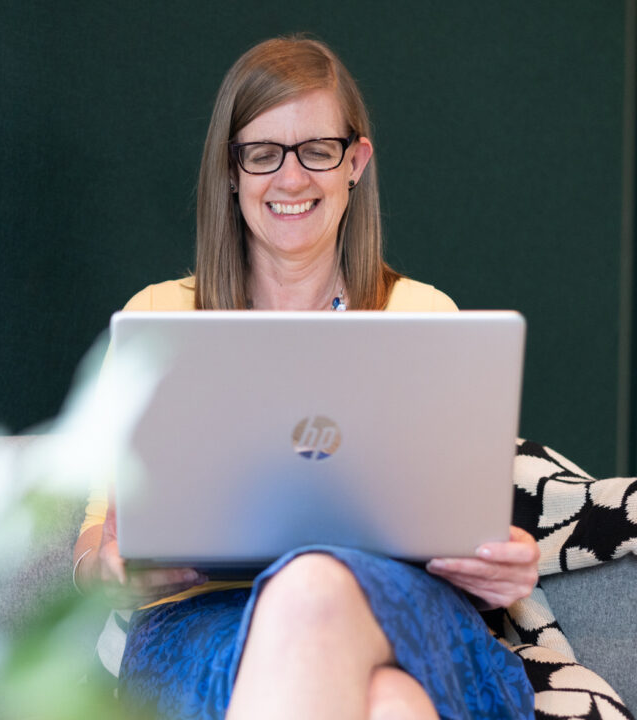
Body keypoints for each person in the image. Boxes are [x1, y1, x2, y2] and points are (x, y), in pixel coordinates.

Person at [73, 36, 540, 720]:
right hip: (201, 621)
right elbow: (91, 546)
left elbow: (470, 528)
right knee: (391, 706)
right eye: (262, 154)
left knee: (312, 585)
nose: (290, 180)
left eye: (316, 151)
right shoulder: (159, 320)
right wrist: (113, 566)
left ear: (356, 162)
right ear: (230, 171)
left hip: (401, 611)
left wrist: (508, 559)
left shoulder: (423, 316)